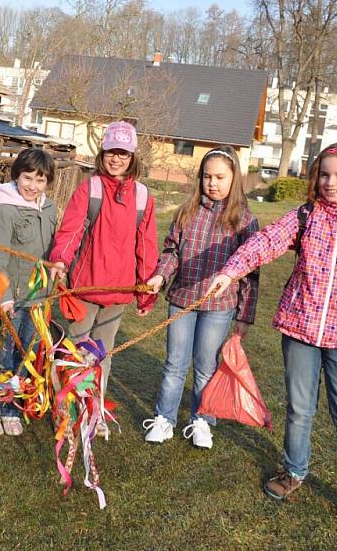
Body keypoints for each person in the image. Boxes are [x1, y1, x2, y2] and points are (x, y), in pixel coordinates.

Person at [209, 142, 337, 538]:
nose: (331, 182)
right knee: (299, 409)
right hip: (300, 328)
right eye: (324, 174)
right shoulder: (305, 216)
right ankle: (293, 470)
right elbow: (265, 241)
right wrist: (232, 270)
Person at [143, 146, 259, 449]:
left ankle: (202, 420)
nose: (213, 183)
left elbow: (251, 274)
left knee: (206, 364)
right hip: (183, 300)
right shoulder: (187, 212)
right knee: (174, 363)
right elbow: (171, 252)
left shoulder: (245, 220)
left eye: (220, 177)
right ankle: (164, 419)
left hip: (219, 308)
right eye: (207, 177)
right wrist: (160, 276)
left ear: (234, 177)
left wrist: (245, 315)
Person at [49, 121, 158, 438]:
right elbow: (71, 230)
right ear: (103, 152)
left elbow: (146, 245)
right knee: (77, 352)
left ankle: (93, 411)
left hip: (119, 293)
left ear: (132, 156)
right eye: (111, 151)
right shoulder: (90, 189)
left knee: (102, 355)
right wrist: (60, 260)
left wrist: (145, 291)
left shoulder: (142, 196)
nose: (116, 159)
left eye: (123, 153)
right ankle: (70, 410)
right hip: (84, 288)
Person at [0, 147, 57, 436]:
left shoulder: (49, 208)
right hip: (11, 296)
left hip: (37, 297)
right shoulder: (6, 209)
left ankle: (11, 407)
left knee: (28, 351)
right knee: (4, 349)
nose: (33, 186)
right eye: (27, 178)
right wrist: (5, 295)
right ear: (16, 176)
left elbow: (51, 247)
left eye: (40, 180)